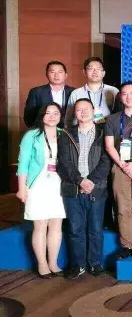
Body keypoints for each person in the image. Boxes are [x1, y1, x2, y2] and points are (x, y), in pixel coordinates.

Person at [58, 98, 111, 279]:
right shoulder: (66, 134)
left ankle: (95, 263)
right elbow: (64, 162)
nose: (83, 112)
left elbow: (106, 161)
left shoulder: (103, 133)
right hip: (72, 188)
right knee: (75, 229)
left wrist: (91, 181)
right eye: (79, 109)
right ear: (75, 113)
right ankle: (77, 265)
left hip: (97, 188)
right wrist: (80, 181)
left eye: (87, 108)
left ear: (93, 110)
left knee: (95, 229)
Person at [16, 103, 66, 278]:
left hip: (58, 184)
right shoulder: (32, 135)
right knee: (40, 225)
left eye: (56, 113)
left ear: (61, 116)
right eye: (48, 113)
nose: (52, 116)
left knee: (56, 225)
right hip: (38, 183)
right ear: (41, 115)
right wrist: (21, 188)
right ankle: (42, 264)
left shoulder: (63, 134)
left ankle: (53, 263)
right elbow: (23, 163)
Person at [105, 82, 132, 260]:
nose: (128, 96)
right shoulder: (112, 119)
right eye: (124, 93)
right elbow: (109, 145)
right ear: (120, 97)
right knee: (123, 208)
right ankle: (126, 245)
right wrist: (123, 165)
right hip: (120, 166)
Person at [66, 57, 119, 127]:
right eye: (91, 69)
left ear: (103, 73)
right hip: (81, 130)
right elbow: (68, 119)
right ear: (84, 72)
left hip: (107, 130)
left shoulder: (113, 91)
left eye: (98, 69)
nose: (95, 72)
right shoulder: (76, 93)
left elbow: (119, 114)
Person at [23, 61, 73, 128]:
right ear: (46, 74)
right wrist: (39, 131)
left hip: (69, 131)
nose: (56, 75)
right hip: (43, 131)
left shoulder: (74, 92)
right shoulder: (36, 92)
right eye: (52, 72)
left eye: (60, 72)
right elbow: (29, 117)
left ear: (66, 75)